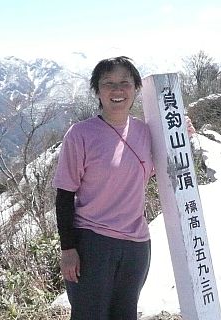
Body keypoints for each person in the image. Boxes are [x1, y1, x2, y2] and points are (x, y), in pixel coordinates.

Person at [53, 56, 194, 320]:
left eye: (124, 83)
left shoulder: (146, 132)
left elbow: (164, 165)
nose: (117, 90)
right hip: (92, 243)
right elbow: (64, 195)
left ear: (136, 88)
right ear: (97, 90)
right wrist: (68, 249)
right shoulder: (80, 134)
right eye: (108, 83)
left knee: (125, 314)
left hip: (137, 245)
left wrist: (180, 134)